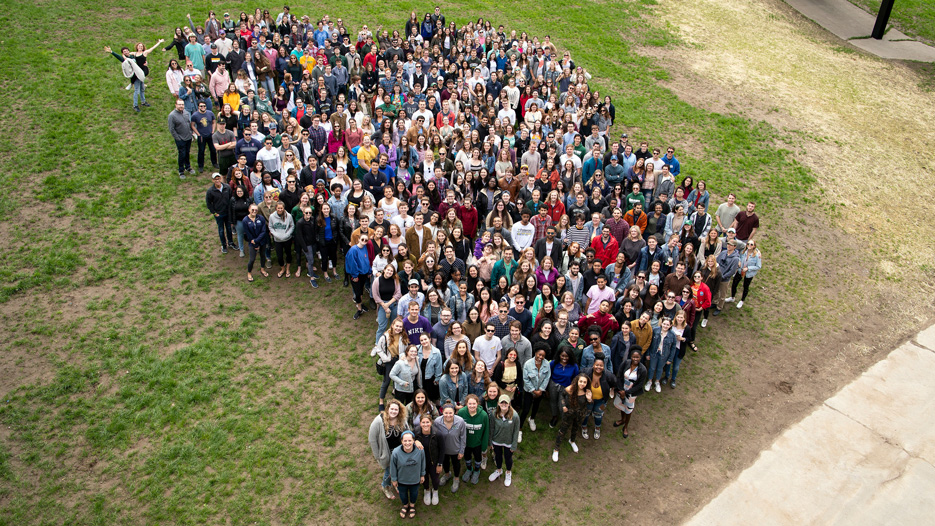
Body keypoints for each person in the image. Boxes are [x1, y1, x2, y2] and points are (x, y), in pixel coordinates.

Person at [369, 400, 411, 500]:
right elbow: (372, 439)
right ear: (387, 409)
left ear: (399, 411)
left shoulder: (402, 419)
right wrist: (377, 456)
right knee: (389, 473)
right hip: (387, 454)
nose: (393, 411)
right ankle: (385, 486)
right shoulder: (379, 421)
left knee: (400, 470)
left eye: (396, 409)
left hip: (400, 452)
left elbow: (407, 432)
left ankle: (395, 483)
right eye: (391, 409)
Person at [552, 373, 591, 462]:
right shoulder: (570, 389)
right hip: (569, 414)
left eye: (584, 382)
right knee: (563, 431)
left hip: (580, 414)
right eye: (580, 381)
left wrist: (589, 399)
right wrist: (563, 405)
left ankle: (572, 441)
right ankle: (556, 449)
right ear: (577, 381)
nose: (582, 384)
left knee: (575, 428)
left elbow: (589, 404)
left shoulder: (587, 391)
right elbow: (562, 395)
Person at [389, 430, 425, 519]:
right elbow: (392, 466)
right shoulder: (396, 452)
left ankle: (412, 505)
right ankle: (405, 505)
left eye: (410, 440)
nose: (407, 443)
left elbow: (423, 462)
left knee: (414, 493)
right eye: (405, 441)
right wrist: (394, 479)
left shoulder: (420, 451)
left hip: (415, 479)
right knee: (403, 494)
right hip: (402, 480)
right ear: (401, 441)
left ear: (413, 441)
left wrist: (422, 474)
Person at [579, 353, 616, 440]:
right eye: (597, 365)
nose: (598, 367)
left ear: (604, 367)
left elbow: (615, 383)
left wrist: (611, 391)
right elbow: (578, 381)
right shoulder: (585, 372)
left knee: (598, 415)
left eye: (601, 366)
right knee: (586, 414)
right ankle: (584, 427)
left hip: (601, 401)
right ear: (593, 365)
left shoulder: (608, 376)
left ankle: (597, 428)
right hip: (588, 400)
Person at [613, 349, 648, 438]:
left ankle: (625, 426)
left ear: (640, 357)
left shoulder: (643, 370)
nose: (635, 359)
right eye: (633, 357)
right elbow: (619, 375)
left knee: (628, 409)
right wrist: (621, 390)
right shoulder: (626, 363)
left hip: (631, 393)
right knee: (621, 405)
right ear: (630, 357)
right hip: (621, 390)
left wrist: (626, 392)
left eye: (637, 357)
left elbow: (640, 385)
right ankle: (622, 420)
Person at [487, 394, 520, 487]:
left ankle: (508, 472)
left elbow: (516, 431)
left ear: (509, 404)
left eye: (506, 402)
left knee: (508, 458)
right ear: (498, 403)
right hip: (496, 440)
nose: (504, 404)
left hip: (508, 442)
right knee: (498, 456)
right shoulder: (494, 414)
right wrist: (490, 441)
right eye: (502, 402)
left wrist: (514, 445)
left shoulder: (515, 416)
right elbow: (491, 428)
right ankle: (499, 470)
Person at [456, 394, 489, 486]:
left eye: (474, 404)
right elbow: (457, 428)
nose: (472, 406)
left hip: (477, 443)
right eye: (469, 404)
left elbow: (486, 431)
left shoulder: (483, 415)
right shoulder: (461, 413)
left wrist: (484, 445)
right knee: (467, 457)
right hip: (465, 443)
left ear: (477, 404)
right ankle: (469, 469)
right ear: (466, 404)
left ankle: (477, 471)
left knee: (478, 458)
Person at [433, 404, 467, 493]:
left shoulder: (460, 421)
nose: (448, 415)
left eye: (450, 413)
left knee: (456, 464)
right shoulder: (437, 422)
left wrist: (461, 451)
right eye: (446, 413)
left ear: (454, 412)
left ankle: (456, 478)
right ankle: (447, 474)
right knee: (445, 463)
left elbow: (463, 437)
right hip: (443, 450)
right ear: (442, 412)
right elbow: (435, 436)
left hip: (455, 449)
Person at [520, 345, 550, 436]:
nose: (540, 357)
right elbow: (525, 379)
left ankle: (532, 419)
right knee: (525, 409)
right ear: (535, 353)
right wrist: (533, 390)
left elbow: (547, 377)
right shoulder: (528, 364)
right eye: (539, 354)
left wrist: (541, 390)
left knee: (536, 406)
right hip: (529, 391)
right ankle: (519, 428)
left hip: (540, 391)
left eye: (543, 356)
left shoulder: (546, 364)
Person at [414, 414, 443, 506]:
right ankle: (426, 490)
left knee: (435, 479)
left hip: (433, 461)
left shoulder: (437, 434)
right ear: (420, 423)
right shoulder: (416, 432)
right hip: (421, 462)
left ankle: (435, 490)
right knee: (424, 478)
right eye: (423, 422)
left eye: (427, 422)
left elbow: (442, 449)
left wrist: (439, 464)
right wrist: (415, 441)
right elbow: (406, 439)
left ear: (431, 423)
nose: (425, 424)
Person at [548, 348, 579, 428]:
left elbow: (576, 378)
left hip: (566, 387)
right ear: (559, 355)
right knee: (553, 401)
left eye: (567, 356)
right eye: (562, 356)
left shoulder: (574, 366)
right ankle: (554, 416)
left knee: (562, 405)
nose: (564, 358)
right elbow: (548, 374)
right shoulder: (554, 363)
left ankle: (564, 419)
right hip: (553, 385)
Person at [346, 233, 374, 319]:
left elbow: (366, 260)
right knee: (357, 292)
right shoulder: (353, 250)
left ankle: (360, 305)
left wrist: (369, 271)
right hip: (356, 275)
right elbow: (352, 264)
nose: (364, 241)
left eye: (366, 240)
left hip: (364, 274)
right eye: (362, 240)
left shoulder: (365, 247)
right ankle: (359, 309)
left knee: (361, 290)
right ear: (358, 239)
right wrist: (355, 276)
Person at [728, 239, 762, 309]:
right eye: (748, 244)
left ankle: (742, 300)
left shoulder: (756, 255)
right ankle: (732, 297)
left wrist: (748, 268)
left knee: (745, 286)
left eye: (751, 244)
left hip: (749, 273)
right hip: (740, 270)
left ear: (754, 246)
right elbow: (740, 257)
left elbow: (758, 266)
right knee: (734, 283)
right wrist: (739, 261)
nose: (749, 245)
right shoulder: (743, 251)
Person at [242, 203, 269, 281]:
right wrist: (254, 243)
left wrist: (257, 240)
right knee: (252, 259)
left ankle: (262, 269)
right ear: (249, 210)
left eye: (256, 210)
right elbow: (248, 233)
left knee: (263, 255)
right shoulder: (245, 220)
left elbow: (263, 231)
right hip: (252, 242)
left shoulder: (261, 218)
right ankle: (249, 273)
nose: (254, 211)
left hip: (262, 240)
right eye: (252, 210)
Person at [168, 98, 194, 178]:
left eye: (182, 104)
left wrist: (191, 134)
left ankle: (188, 167)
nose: (181, 106)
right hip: (180, 139)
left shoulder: (186, 113)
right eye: (179, 104)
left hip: (188, 137)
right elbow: (171, 129)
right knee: (182, 154)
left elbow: (188, 124)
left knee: (187, 152)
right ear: (176, 105)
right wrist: (178, 138)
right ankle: (181, 171)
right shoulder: (172, 115)